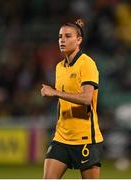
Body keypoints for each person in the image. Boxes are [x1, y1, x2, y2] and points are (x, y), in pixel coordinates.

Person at [41, 18, 104, 179]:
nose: (62, 40)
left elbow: (86, 98)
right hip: (61, 137)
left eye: (68, 36)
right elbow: (62, 103)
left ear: (79, 40)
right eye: (60, 36)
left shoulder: (87, 64)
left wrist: (55, 92)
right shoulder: (59, 67)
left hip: (85, 138)